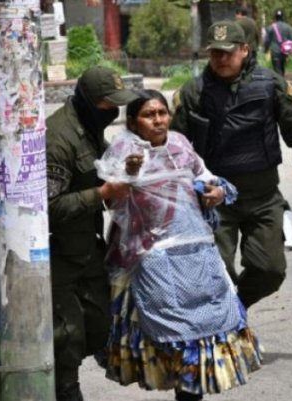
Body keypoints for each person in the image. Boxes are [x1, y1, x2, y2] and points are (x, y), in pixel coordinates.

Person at [96, 89, 261, 401]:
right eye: (149, 115)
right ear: (132, 121)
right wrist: (131, 172)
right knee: (165, 336)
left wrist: (217, 193)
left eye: (162, 113)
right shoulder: (123, 149)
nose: (158, 120)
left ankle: (190, 393)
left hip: (196, 251)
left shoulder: (181, 145)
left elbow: (207, 177)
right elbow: (113, 195)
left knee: (208, 328)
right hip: (149, 257)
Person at [171, 21, 292, 310]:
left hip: (263, 197)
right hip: (214, 199)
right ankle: (224, 325)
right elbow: (175, 147)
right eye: (215, 53)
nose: (221, 59)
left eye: (227, 52)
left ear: (244, 49)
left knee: (271, 271)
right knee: (216, 272)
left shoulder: (271, 85)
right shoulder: (193, 93)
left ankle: (235, 308)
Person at [45, 66, 138, 401]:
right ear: (86, 101)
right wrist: (101, 194)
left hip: (87, 249)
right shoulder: (58, 138)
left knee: (99, 328)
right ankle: (65, 389)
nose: (113, 111)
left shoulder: (90, 129)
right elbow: (48, 208)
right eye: (107, 105)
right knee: (66, 335)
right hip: (58, 255)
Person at [263, 9, 292, 76]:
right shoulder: (288, 28)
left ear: (275, 17)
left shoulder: (271, 27)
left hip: (275, 52)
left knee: (277, 70)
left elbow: (267, 41)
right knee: (282, 68)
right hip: (285, 52)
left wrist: (265, 50)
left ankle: (280, 84)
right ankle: (282, 82)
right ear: (283, 17)